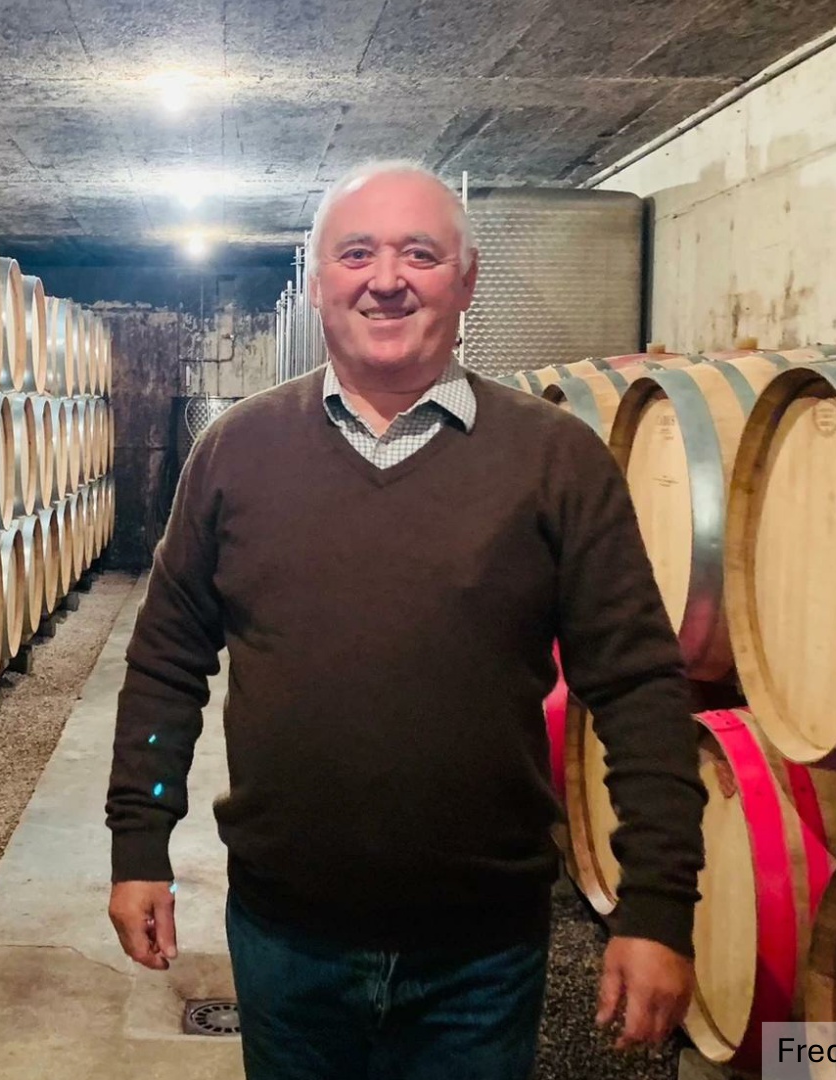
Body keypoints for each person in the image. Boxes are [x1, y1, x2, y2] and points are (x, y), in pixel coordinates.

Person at [104, 159, 706, 1079]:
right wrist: (140, 842)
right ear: (317, 281)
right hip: (286, 936)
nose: (385, 280)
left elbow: (637, 686)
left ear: (466, 280)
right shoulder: (237, 451)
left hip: (481, 954)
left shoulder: (557, 458)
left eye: (419, 254)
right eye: (356, 254)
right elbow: (166, 662)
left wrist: (658, 905)